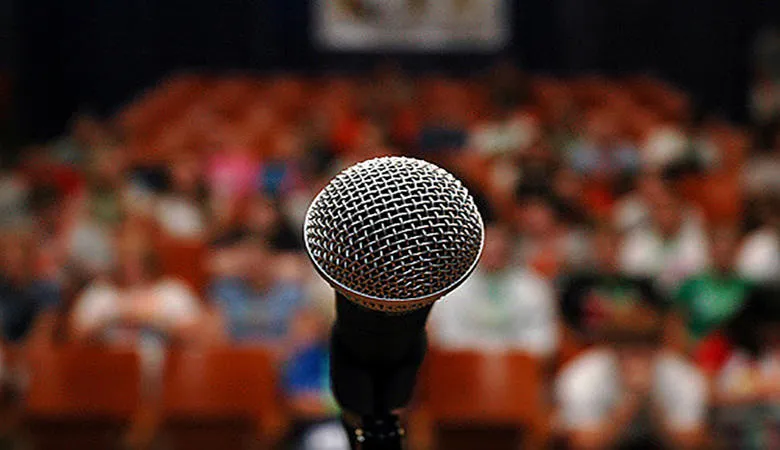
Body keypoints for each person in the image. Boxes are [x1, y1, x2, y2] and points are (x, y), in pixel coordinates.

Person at [555, 306, 708, 450]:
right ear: (610, 350)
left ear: (658, 350)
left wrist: (652, 405)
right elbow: (583, 444)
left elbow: (690, 443)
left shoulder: (683, 376)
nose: (635, 361)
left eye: (644, 352)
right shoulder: (582, 377)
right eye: (625, 353)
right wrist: (628, 403)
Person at [430, 224, 559, 358]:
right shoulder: (454, 288)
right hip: (463, 368)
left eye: (498, 249)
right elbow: (446, 337)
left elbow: (543, 340)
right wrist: (483, 353)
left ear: (510, 249)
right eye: (488, 248)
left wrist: (503, 354)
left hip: (518, 368)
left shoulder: (533, 287)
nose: (493, 253)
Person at [70, 233, 203, 346]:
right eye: (125, 261)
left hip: (166, 369)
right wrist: (112, 319)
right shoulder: (100, 292)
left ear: (149, 261)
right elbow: (74, 336)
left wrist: (155, 319)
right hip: (106, 367)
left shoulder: (172, 292)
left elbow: (197, 337)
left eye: (137, 261)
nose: (130, 269)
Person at [559, 224, 666, 343]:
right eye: (600, 246)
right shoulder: (576, 285)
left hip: (633, 347)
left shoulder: (641, 284)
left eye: (611, 245)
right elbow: (566, 326)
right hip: (589, 346)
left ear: (621, 246)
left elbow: (658, 321)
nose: (606, 252)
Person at [713, 284, 780, 449]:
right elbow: (711, 395)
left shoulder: (774, 350)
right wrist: (758, 391)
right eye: (770, 328)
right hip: (733, 431)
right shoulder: (723, 346)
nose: (774, 334)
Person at [210, 239, 305, 345]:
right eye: (248, 261)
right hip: (236, 353)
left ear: (269, 261)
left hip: (281, 354)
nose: (253, 266)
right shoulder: (224, 292)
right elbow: (214, 334)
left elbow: (301, 335)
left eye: (257, 261)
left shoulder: (291, 294)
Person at [672, 226, 753, 351]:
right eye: (719, 248)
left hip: (734, 354)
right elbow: (674, 322)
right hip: (695, 350)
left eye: (728, 249)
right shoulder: (692, 285)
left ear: (737, 251)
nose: (723, 253)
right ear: (710, 250)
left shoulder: (747, 289)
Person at [620, 190, 709, 294]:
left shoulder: (697, 240)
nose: (664, 214)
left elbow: (701, 277)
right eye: (659, 209)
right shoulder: (636, 242)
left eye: (669, 208)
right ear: (651, 213)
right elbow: (633, 276)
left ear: (680, 211)